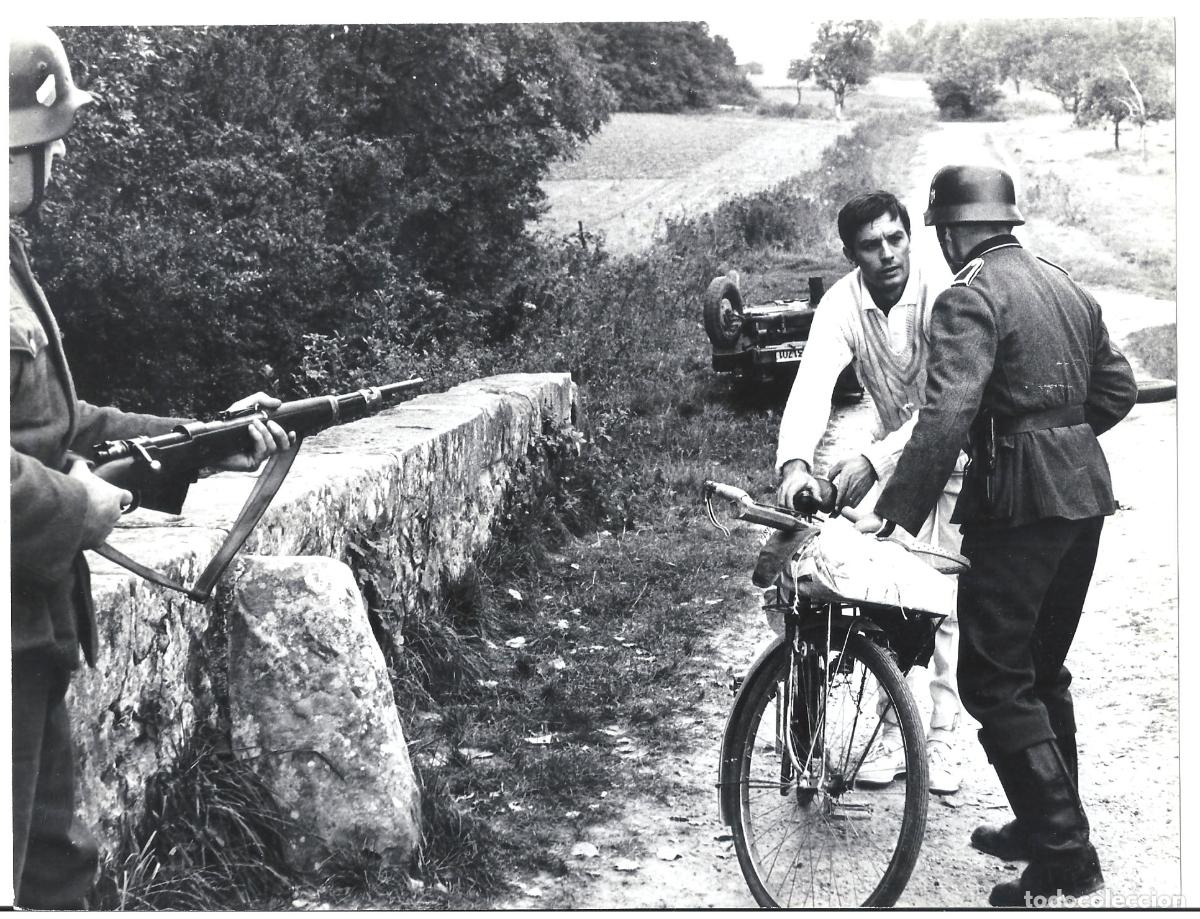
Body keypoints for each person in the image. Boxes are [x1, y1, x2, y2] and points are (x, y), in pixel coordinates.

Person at [10, 26, 293, 908]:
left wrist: (206, 438)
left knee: (52, 867)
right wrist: (77, 507)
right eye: (48, 146)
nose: (56, 165)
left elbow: (64, 426)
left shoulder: (7, 261)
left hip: (32, 630)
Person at [855, 165, 1137, 906]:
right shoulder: (1062, 281)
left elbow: (946, 416)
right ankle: (1044, 822)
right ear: (1005, 220)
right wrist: (1063, 443)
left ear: (949, 231)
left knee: (992, 676)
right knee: (1041, 671)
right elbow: (1119, 390)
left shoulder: (968, 294)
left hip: (1018, 508)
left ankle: (1066, 856)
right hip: (1083, 499)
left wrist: (894, 510)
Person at [775, 190, 965, 795]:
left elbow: (946, 402)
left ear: (911, 237)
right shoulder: (841, 303)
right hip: (898, 462)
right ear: (850, 253)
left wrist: (870, 458)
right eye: (870, 246)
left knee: (950, 601)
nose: (887, 255)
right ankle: (892, 735)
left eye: (896, 239)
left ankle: (943, 741)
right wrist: (796, 464)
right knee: (888, 596)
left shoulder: (943, 288)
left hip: (962, 455)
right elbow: (812, 388)